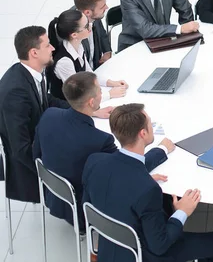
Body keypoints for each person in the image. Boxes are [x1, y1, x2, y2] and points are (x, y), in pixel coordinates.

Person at [83, 103, 213, 262]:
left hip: (109, 243)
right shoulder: (147, 189)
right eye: (150, 122)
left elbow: (92, 200)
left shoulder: (94, 161)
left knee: (165, 201)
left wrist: (156, 157)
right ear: (143, 133)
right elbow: (160, 246)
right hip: (144, 254)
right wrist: (182, 212)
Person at [33, 72, 174, 231]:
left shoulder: (49, 115)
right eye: (100, 90)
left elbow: (36, 153)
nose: (102, 93)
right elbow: (127, 170)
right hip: (85, 211)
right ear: (91, 102)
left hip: (54, 196)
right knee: (163, 200)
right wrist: (161, 149)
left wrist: (93, 112)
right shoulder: (99, 140)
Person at [0, 26, 70, 203]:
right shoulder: (15, 92)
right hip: (28, 165)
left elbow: (45, 100)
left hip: (42, 139)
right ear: (34, 53)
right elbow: (20, 149)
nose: (53, 48)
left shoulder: (34, 71)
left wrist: (81, 108)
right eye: (47, 45)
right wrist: (52, 173)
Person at [47, 9, 128, 102]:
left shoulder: (78, 45)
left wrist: (111, 83)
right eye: (86, 26)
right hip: (69, 106)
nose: (90, 27)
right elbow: (79, 94)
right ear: (74, 35)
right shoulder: (65, 62)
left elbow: (89, 74)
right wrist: (109, 94)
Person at [73, 0, 112, 69]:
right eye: (102, 7)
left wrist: (107, 51)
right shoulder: (73, 31)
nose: (106, 7)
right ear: (87, 12)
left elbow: (101, 33)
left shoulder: (94, 16)